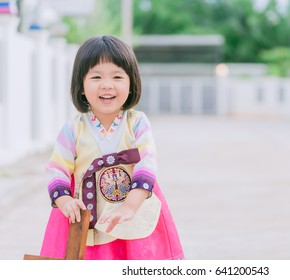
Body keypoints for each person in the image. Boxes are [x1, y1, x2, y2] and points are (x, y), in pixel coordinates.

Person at [40, 35, 184, 260]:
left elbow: (147, 162)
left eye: (117, 76)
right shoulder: (73, 129)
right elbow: (57, 168)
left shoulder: (137, 123)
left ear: (131, 83)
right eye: (96, 77)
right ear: (81, 85)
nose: (107, 85)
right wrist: (65, 200)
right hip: (88, 218)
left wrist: (129, 206)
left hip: (133, 211)